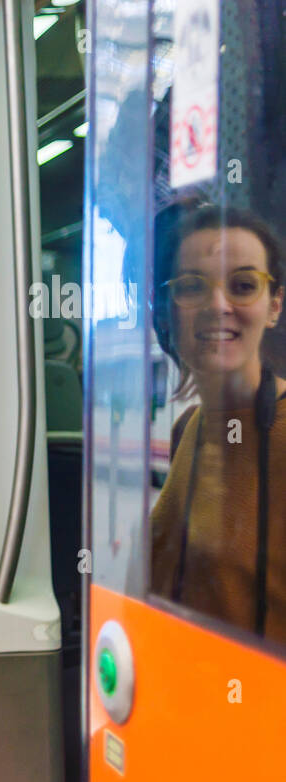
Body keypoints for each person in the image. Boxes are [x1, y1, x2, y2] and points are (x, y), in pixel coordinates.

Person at [151, 204, 286, 641]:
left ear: (274, 307)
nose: (217, 306)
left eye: (243, 286)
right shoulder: (189, 427)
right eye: (191, 287)